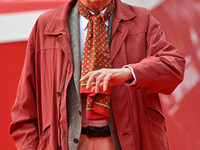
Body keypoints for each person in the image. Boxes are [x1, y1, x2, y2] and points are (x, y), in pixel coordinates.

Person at [10, 0, 185, 149]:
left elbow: (173, 66)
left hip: (127, 141)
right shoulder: (45, 25)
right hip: (69, 142)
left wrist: (127, 73)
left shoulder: (142, 20)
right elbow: (24, 112)